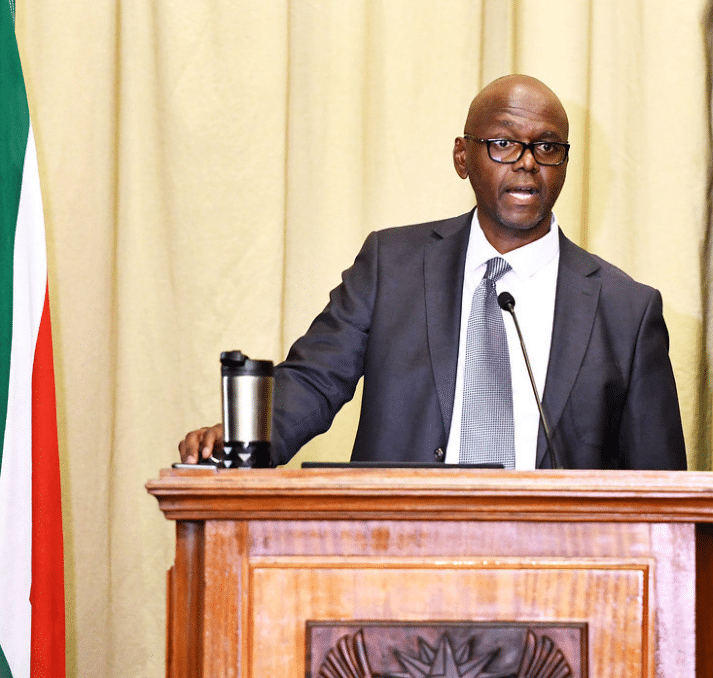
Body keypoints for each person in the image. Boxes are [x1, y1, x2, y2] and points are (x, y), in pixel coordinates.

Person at [179, 74, 686, 470]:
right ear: (463, 157)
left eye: (547, 147)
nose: (527, 163)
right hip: (398, 549)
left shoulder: (627, 310)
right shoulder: (391, 266)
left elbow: (661, 484)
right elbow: (313, 380)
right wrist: (243, 437)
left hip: (557, 564)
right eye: (504, 143)